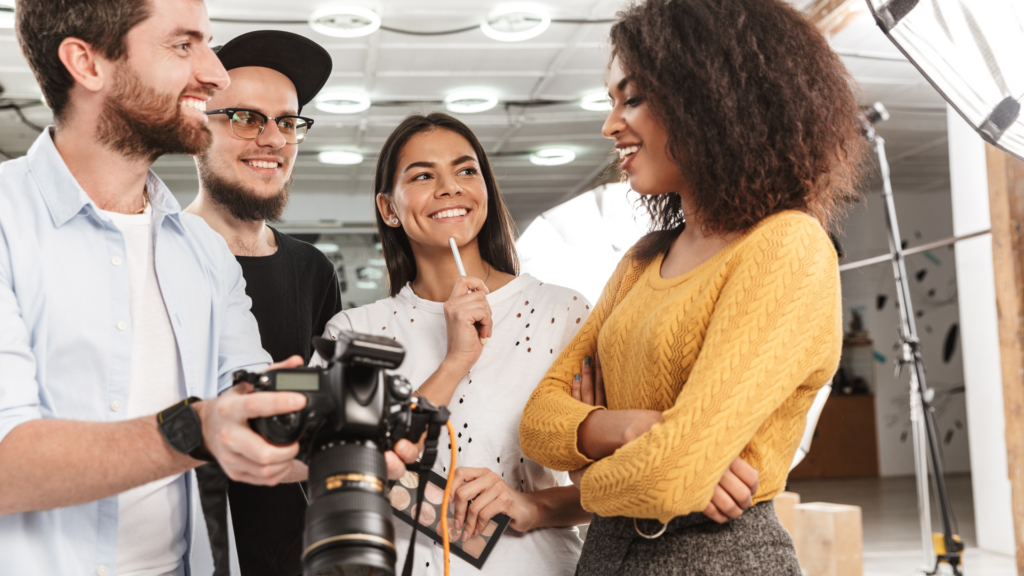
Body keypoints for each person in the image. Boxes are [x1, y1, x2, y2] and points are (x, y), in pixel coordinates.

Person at [0, 2, 417, 574]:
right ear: (87, 63)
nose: (215, 73)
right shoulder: (6, 222)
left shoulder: (201, 253)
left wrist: (347, 436)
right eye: (183, 46)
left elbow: (247, 413)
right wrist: (195, 428)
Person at [317, 112, 760, 576]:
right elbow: (344, 482)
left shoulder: (560, 313)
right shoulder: (352, 335)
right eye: (423, 175)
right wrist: (455, 361)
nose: (449, 187)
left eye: (466, 170)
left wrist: (530, 506)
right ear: (389, 208)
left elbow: (606, 485)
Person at [519, 0, 867, 574]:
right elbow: (537, 423)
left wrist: (584, 468)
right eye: (611, 102)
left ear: (709, 99)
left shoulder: (787, 248)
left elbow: (670, 476)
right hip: (606, 556)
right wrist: (635, 428)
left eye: (632, 99)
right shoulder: (642, 259)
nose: (610, 125)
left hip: (719, 556)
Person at [184, 30, 342, 576]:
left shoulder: (312, 269)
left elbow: (319, 401)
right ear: (196, 126)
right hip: (187, 547)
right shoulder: (157, 253)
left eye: (286, 121)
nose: (272, 138)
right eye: (246, 118)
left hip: (297, 550)